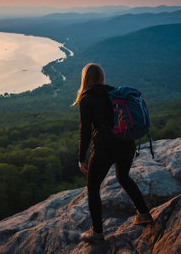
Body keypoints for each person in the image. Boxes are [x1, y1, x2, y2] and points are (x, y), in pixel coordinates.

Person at [73, 63, 153, 243]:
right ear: (101, 77)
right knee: (123, 176)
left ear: (85, 79)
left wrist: (81, 158)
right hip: (126, 144)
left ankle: (97, 232)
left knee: (93, 187)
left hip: (104, 148)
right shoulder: (115, 93)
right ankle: (143, 213)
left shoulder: (86, 98)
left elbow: (85, 130)